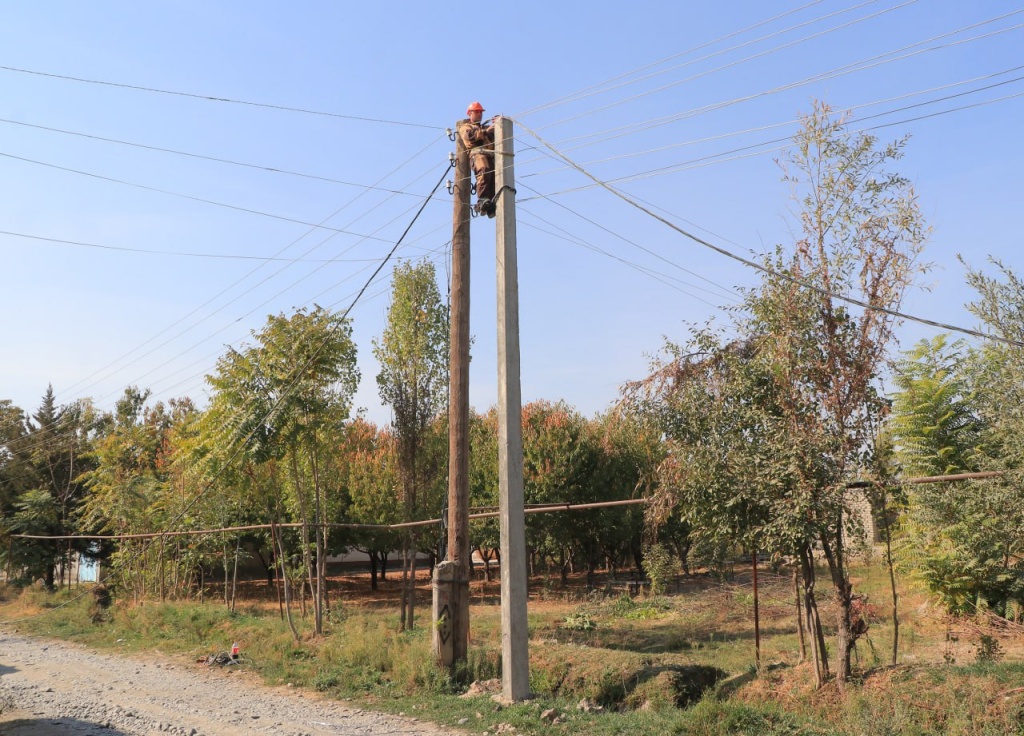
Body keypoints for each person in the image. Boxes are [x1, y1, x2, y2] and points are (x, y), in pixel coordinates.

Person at [458, 101, 496, 217]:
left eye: (480, 112)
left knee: (494, 178)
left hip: (490, 155)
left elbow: (492, 136)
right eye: (477, 112)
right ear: (470, 113)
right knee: (484, 171)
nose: (480, 114)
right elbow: (472, 137)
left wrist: (497, 125)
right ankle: (482, 200)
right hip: (477, 154)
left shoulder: (483, 127)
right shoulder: (465, 127)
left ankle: (491, 204)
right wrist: (487, 131)